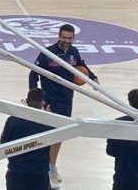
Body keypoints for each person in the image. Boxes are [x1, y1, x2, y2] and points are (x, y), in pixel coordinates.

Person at [29, 23, 97, 189]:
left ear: (73, 38)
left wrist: (93, 78)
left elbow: (82, 66)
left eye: (70, 38)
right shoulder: (48, 53)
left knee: (60, 136)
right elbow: (33, 73)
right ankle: (44, 170)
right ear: (58, 36)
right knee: (48, 136)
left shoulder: (74, 52)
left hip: (67, 99)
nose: (67, 41)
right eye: (64, 37)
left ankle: (51, 167)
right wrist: (35, 97)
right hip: (50, 101)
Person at [0, 88, 55, 190]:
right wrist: (49, 117)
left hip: (16, 173)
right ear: (42, 103)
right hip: (39, 175)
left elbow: (3, 145)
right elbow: (55, 141)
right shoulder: (47, 122)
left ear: (27, 100)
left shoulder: (13, 120)